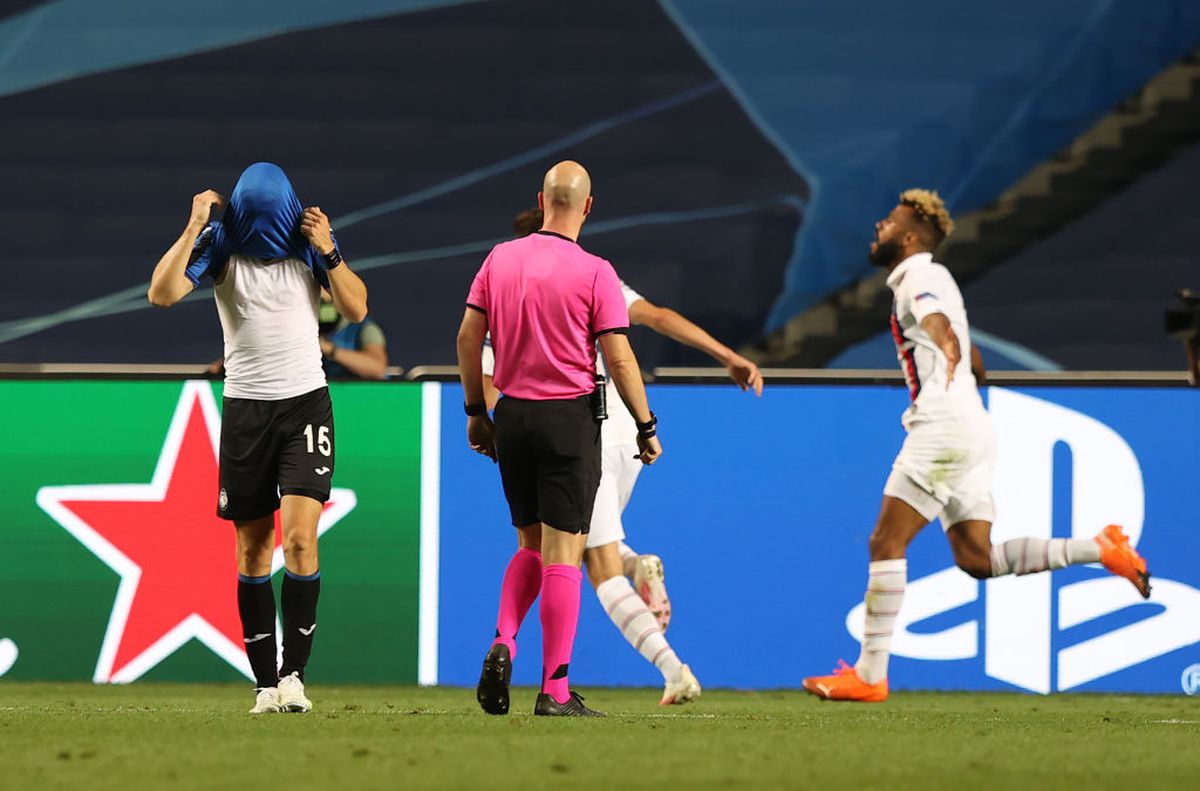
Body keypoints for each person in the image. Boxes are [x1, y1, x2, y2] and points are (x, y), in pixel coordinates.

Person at [802, 189, 1151, 703]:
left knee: (885, 543)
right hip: (970, 425)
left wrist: (945, 348)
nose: (880, 225)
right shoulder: (936, 280)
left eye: (890, 222)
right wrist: (958, 363)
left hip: (943, 428)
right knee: (976, 559)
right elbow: (975, 361)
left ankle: (870, 675)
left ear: (912, 236)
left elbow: (942, 329)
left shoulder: (918, 276)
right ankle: (1100, 548)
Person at [480, 207, 763, 704]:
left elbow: (482, 375)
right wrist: (727, 355)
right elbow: (655, 319)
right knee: (576, 542)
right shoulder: (593, 272)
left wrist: (483, 420)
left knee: (587, 562)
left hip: (574, 425)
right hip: (617, 424)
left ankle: (672, 669)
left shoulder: (504, 292)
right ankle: (635, 567)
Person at [148, 162, 369, 714]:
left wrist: (331, 248)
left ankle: (295, 676)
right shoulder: (219, 244)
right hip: (246, 408)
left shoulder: (308, 240)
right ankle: (265, 685)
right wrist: (194, 222)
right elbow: (162, 294)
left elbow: (357, 307)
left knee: (299, 540)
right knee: (252, 549)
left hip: (304, 406)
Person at [457, 161, 662, 717]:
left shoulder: (501, 258)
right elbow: (618, 355)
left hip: (514, 416)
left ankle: (503, 639)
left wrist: (477, 411)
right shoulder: (597, 271)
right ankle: (554, 689)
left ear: (540, 199)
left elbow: (468, 337)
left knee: (528, 543)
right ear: (588, 207)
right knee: (565, 553)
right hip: (569, 418)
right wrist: (645, 425)